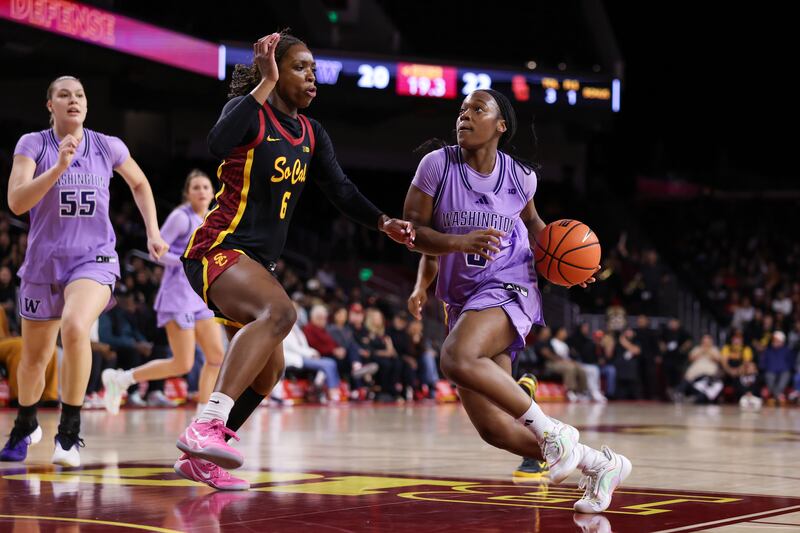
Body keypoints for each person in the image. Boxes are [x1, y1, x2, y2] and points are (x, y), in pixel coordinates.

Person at [172, 32, 413, 490]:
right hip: (218, 247)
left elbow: (340, 189)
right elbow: (218, 142)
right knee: (280, 312)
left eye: (314, 70)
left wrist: (382, 222)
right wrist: (262, 84)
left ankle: (203, 458)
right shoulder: (249, 113)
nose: (312, 78)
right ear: (275, 69)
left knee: (271, 372)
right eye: (301, 67)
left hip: (257, 264)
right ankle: (206, 423)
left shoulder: (311, 132)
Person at [403, 88, 630, 513]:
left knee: (455, 357)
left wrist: (570, 266)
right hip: (462, 300)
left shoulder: (520, 176)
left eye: (477, 109)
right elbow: (415, 232)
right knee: (496, 429)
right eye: (462, 109)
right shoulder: (437, 166)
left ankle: (554, 433)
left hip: (511, 283)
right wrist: (430, 275)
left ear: (501, 125)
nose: (465, 116)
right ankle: (600, 465)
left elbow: (535, 225)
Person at [1, 76, 167, 466]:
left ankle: (69, 432)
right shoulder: (33, 144)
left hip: (93, 258)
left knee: (75, 327)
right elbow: (16, 202)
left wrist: (153, 232)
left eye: (79, 95)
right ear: (50, 105)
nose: (73, 100)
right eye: (64, 95)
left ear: (87, 105)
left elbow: (140, 184)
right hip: (43, 264)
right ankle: (26, 422)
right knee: (33, 360)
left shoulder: (108, 145)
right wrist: (59, 166)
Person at [101, 170, 225, 416]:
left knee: (216, 357)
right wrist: (184, 261)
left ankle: (202, 416)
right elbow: (155, 251)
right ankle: (123, 379)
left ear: (213, 192)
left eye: (205, 187)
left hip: (201, 296)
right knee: (183, 363)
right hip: (177, 296)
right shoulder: (181, 217)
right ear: (187, 194)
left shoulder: (213, 218)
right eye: (196, 187)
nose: (201, 191)